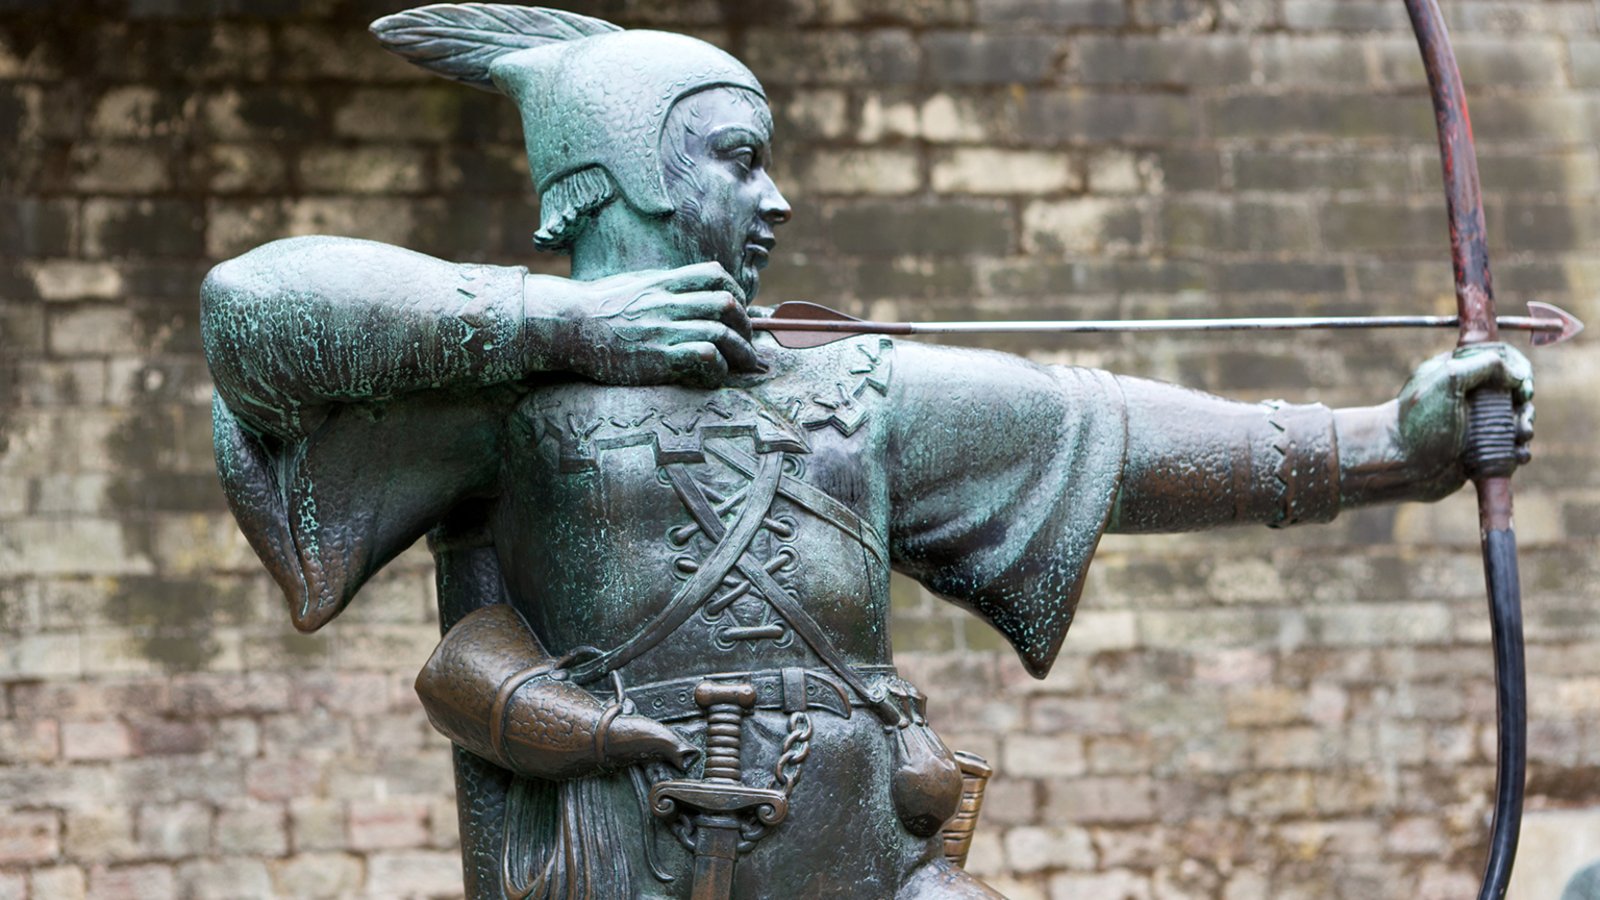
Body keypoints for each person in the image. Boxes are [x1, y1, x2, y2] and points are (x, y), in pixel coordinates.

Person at [200, 7, 1534, 899]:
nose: (776, 197)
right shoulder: (501, 397)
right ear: (632, 176)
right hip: (624, 858)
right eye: (737, 159)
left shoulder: (849, 387)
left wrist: (1391, 445)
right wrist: (569, 324)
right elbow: (248, 313)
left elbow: (1105, 432)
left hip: (870, 856)